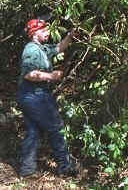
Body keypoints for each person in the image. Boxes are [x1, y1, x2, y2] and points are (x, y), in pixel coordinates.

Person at [17, 18, 79, 178]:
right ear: (34, 33)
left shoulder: (42, 48)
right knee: (55, 127)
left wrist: (70, 36)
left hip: (29, 96)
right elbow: (29, 74)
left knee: (33, 131)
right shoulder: (31, 50)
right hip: (34, 96)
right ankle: (65, 166)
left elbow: (58, 48)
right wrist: (51, 76)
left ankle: (26, 170)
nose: (48, 32)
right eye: (44, 30)